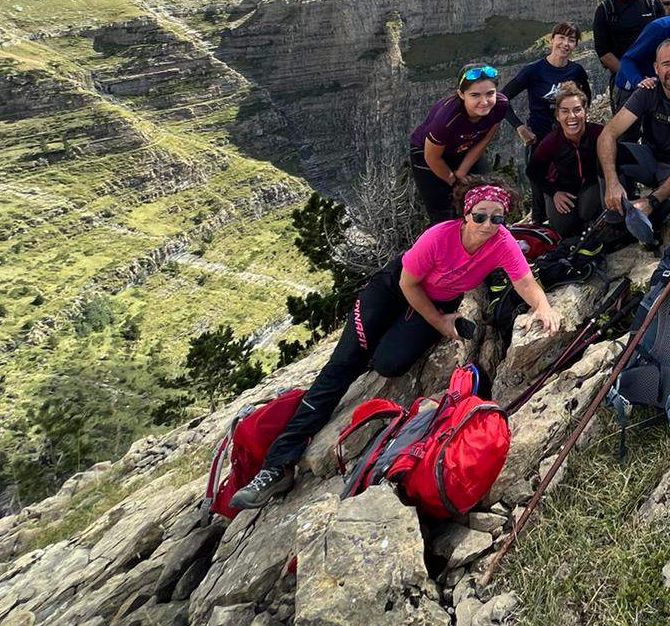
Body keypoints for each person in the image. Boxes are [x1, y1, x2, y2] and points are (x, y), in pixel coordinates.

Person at [230, 183, 562, 509]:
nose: (488, 225)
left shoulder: (502, 242)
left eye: (497, 218)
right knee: (343, 365)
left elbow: (524, 280)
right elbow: (408, 283)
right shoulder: (439, 238)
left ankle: (374, 349)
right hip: (393, 289)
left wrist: (543, 307)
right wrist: (439, 322)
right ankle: (276, 466)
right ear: (465, 214)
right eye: (480, 216)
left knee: (389, 364)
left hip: (439, 299)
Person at [598, 39, 670, 227]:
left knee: (654, 218)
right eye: (666, 64)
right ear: (656, 68)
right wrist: (612, 182)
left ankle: (637, 219)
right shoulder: (648, 91)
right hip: (653, 160)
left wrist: (651, 201)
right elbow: (608, 134)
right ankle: (617, 213)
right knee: (609, 155)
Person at [408, 64, 514, 223]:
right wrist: (454, 181)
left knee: (488, 194)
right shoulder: (447, 119)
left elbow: (485, 139)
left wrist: (463, 172)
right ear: (461, 94)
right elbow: (432, 158)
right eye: (475, 95)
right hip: (429, 154)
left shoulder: (500, 105)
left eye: (490, 93)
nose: (484, 101)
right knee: (443, 212)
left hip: (466, 147)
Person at [527, 83, 605, 242]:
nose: (572, 116)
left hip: (591, 185)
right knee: (562, 228)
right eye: (565, 111)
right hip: (563, 189)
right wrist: (553, 192)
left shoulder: (599, 133)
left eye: (577, 109)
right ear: (557, 115)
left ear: (585, 111)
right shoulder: (552, 142)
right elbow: (533, 171)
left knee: (587, 212)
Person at [502, 23, 591, 145]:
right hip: (539, 138)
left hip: (569, 137)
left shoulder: (577, 71)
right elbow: (501, 98)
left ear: (575, 45)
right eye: (561, 37)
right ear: (552, 40)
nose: (565, 43)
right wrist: (519, 127)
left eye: (571, 40)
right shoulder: (533, 70)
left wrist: (581, 120)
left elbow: (586, 97)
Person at [593, 0, 657, 102]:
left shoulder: (653, 4)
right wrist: (634, 78)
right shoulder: (605, 10)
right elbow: (603, 52)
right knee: (627, 125)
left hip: (654, 76)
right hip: (623, 80)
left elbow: (665, 41)